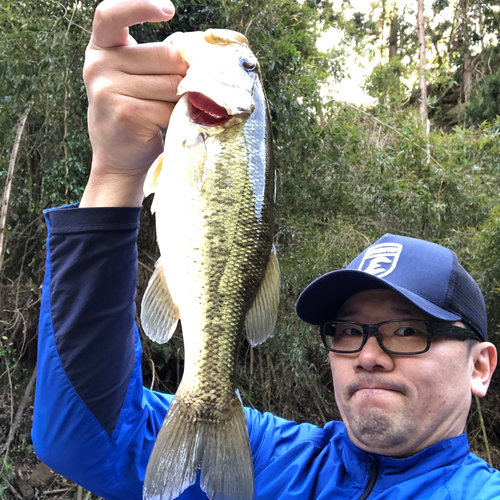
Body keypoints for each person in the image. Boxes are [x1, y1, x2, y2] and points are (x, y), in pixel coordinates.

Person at [32, 0, 500, 499]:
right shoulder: (268, 459)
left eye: (407, 331)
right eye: (346, 331)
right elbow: (84, 438)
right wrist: (114, 174)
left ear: (480, 367)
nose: (366, 355)